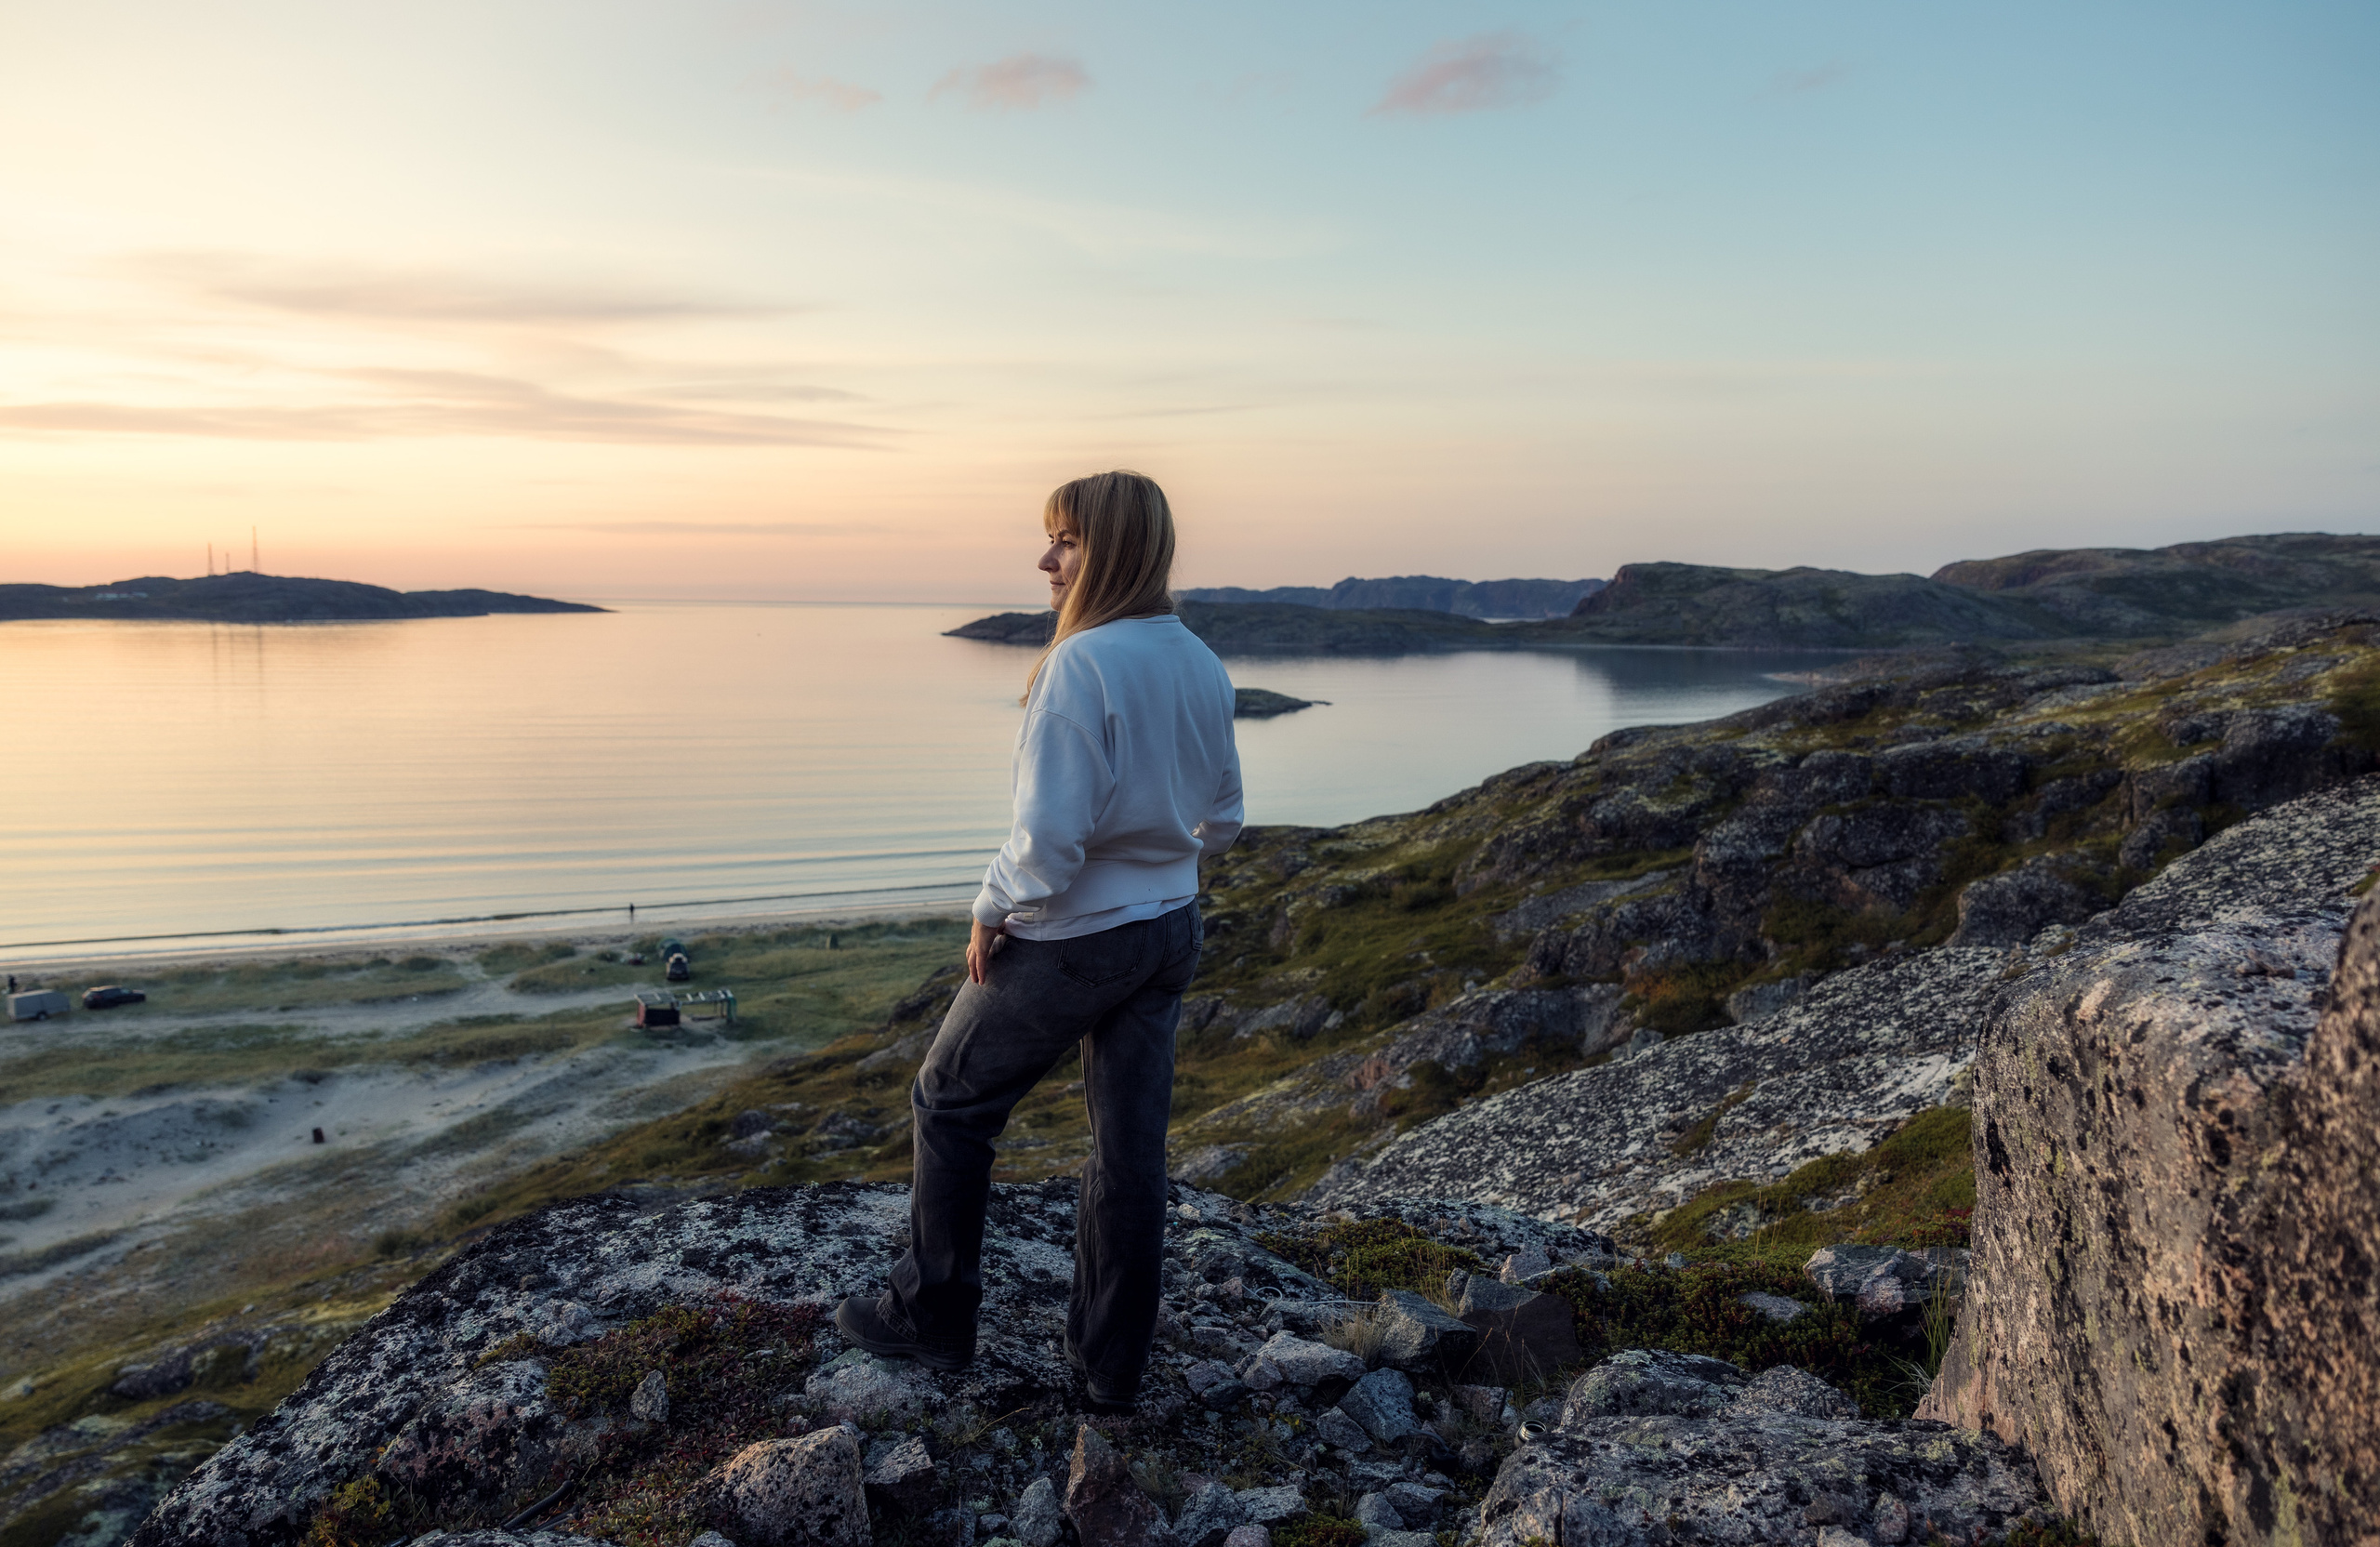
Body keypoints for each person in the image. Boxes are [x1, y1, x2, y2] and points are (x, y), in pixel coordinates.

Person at [836, 469, 1243, 1410]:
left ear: (1111, 551)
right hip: (1169, 928)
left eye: (1064, 541)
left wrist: (993, 908)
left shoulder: (1080, 663)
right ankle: (1107, 1370)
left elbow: (1049, 841)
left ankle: (930, 1313)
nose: (1045, 559)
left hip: (1075, 935)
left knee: (948, 1100)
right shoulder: (1200, 660)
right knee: (1128, 1150)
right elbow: (1221, 820)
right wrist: (1158, 854)